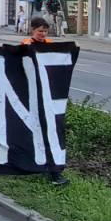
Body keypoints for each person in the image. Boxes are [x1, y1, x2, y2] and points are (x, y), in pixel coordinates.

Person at [21, 16, 70, 187]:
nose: (42, 34)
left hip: (47, 97)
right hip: (31, 97)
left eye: (44, 31)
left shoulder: (49, 45)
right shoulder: (25, 46)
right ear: (32, 30)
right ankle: (35, 166)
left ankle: (54, 172)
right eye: (39, 31)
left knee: (51, 132)